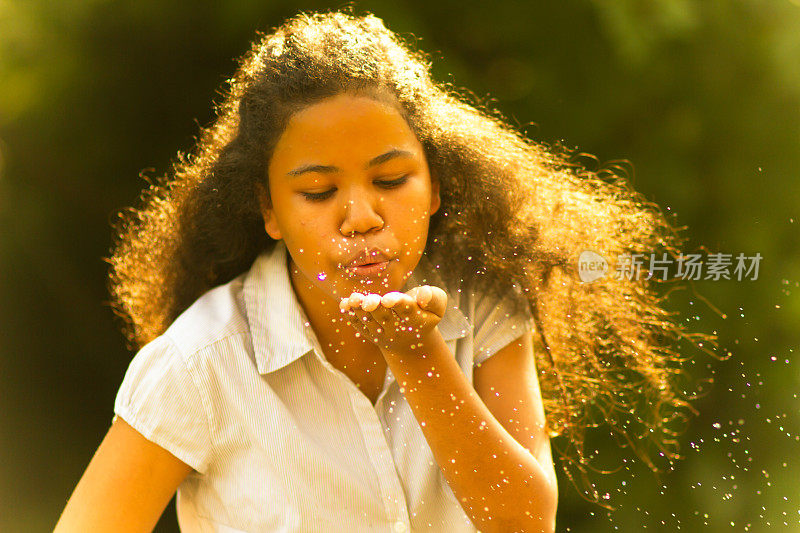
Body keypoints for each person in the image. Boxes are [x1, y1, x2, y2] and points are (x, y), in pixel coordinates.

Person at [55, 8, 707, 532]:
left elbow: (524, 521)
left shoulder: (483, 304)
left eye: (391, 179)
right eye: (317, 191)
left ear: (436, 184)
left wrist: (418, 355)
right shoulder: (200, 362)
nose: (361, 216)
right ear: (269, 208)